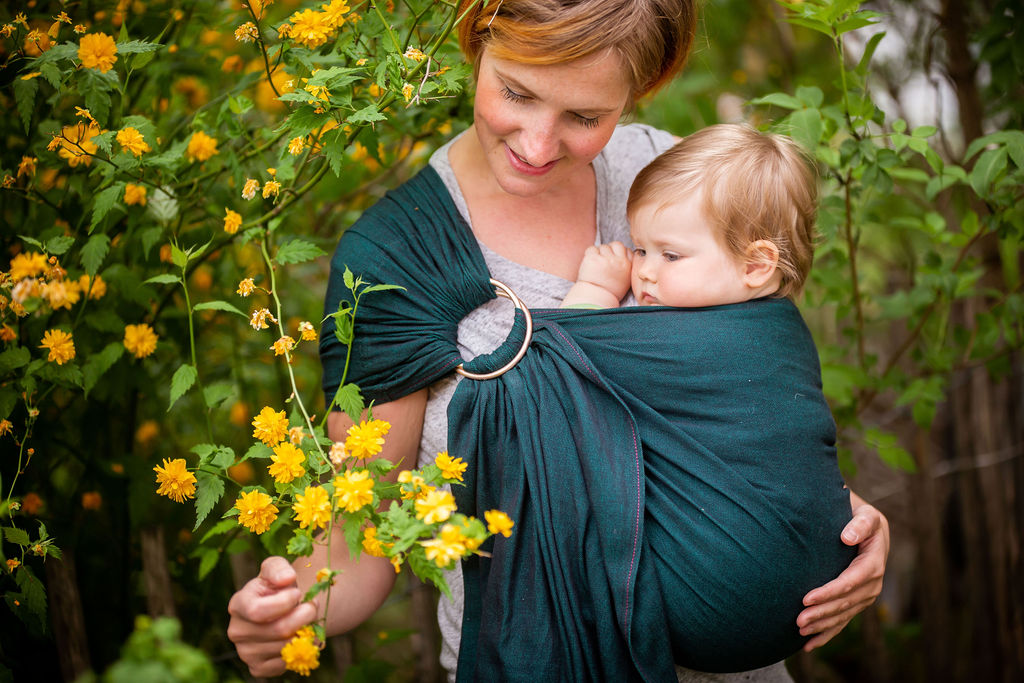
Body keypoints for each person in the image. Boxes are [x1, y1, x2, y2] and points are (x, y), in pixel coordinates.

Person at [227, 2, 891, 680]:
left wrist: (843, 521)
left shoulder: (675, 179)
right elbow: (363, 531)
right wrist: (293, 606)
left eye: (585, 117)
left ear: (640, 88)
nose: (538, 145)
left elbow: (745, 405)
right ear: (475, 38)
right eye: (517, 91)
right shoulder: (400, 260)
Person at [561, 123, 815, 310]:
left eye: (671, 256)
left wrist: (596, 290)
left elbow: (570, 353)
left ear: (755, 265)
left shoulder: (691, 331)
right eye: (640, 250)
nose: (644, 273)